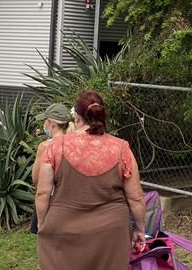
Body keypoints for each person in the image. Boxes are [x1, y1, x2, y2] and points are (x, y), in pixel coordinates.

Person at [35, 90, 145, 269]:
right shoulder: (121, 148)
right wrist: (140, 228)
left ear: (77, 118)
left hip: (63, 227)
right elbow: (136, 197)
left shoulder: (55, 146)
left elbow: (42, 193)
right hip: (111, 233)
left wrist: (42, 223)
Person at [29, 103, 70, 234]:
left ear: (51, 123)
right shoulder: (75, 143)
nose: (44, 125)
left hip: (51, 200)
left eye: (45, 121)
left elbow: (36, 179)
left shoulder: (45, 146)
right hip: (70, 200)